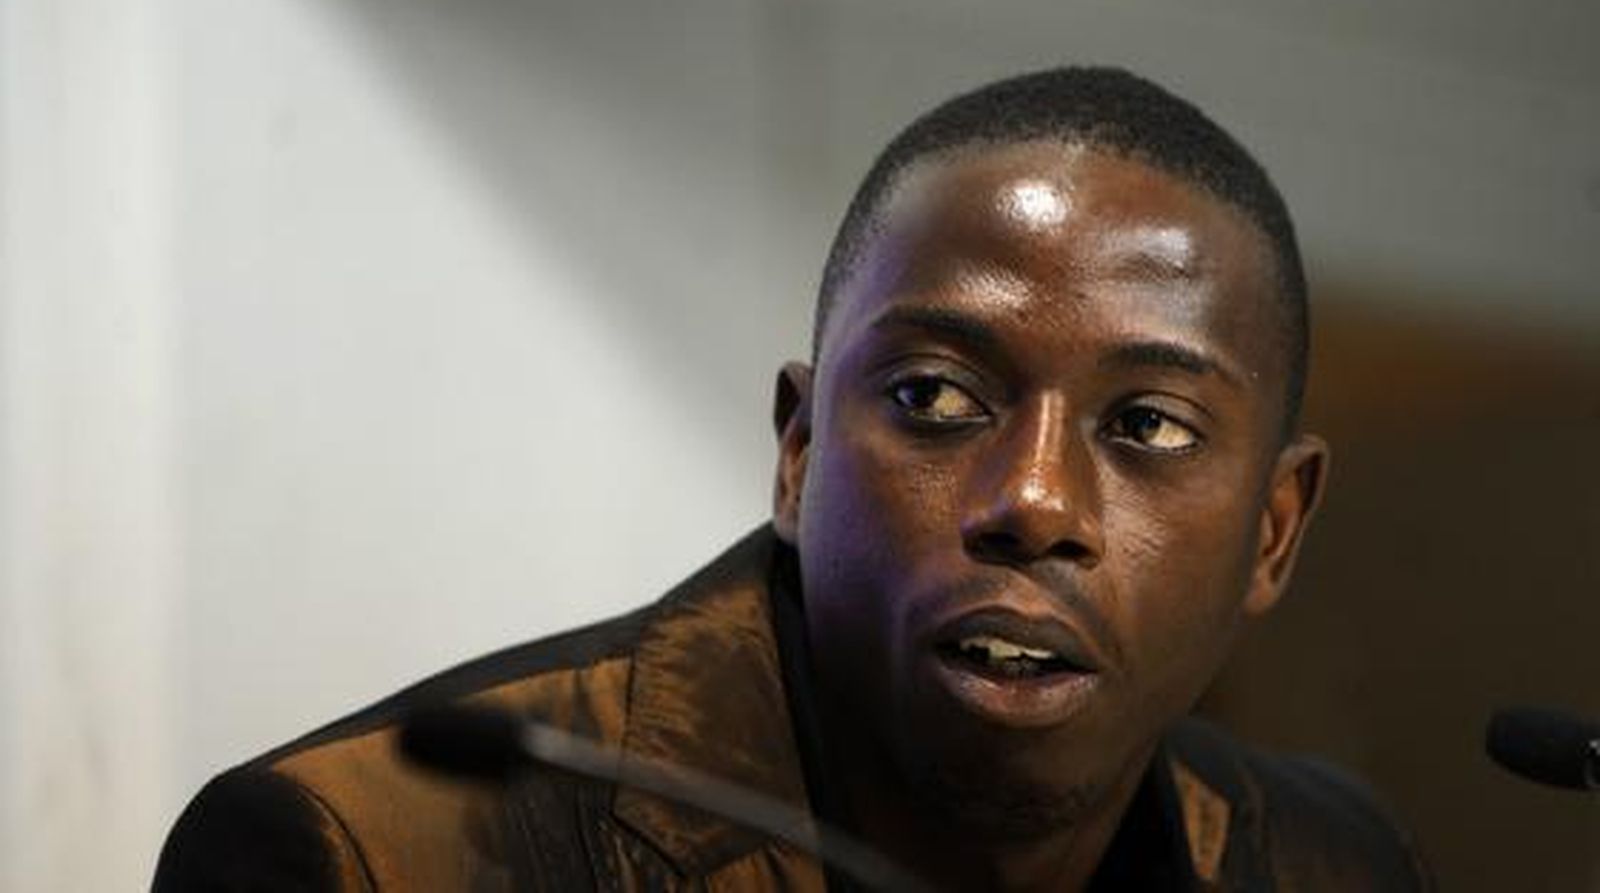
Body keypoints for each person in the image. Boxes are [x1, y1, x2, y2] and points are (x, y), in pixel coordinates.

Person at [154, 67, 1429, 891]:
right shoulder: (368, 852)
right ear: (799, 449)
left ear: (1275, 529)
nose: (1033, 501)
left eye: (1145, 424)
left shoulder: (1329, 861)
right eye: (934, 399)